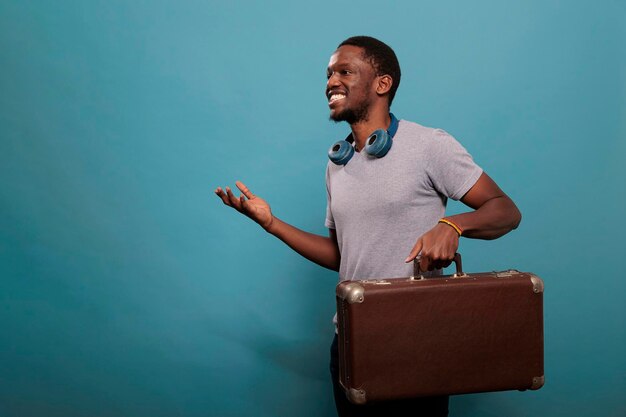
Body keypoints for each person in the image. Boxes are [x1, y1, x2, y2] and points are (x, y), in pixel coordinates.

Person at [215, 36, 521, 417]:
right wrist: (272, 224)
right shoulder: (336, 165)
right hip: (349, 343)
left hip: (416, 343)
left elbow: (505, 210)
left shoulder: (429, 145)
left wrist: (452, 225)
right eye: (329, 74)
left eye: (345, 71)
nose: (331, 82)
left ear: (382, 83)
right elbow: (341, 256)